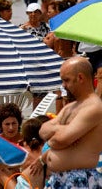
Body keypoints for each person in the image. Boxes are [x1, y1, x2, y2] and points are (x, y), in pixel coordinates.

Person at [38, 56, 102, 188]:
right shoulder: (70, 107)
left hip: (79, 179)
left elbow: (62, 139)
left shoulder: (94, 106)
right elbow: (43, 130)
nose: (63, 85)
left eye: (66, 80)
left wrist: (55, 135)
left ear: (80, 78)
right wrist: (59, 134)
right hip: (59, 178)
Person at [0, 118, 46, 189]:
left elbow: (0, 164)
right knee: (12, 171)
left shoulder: (24, 153)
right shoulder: (46, 150)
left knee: (1, 173)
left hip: (26, 187)